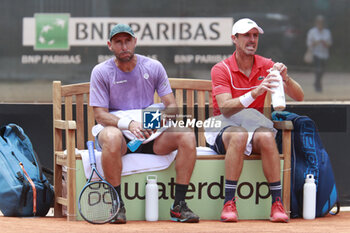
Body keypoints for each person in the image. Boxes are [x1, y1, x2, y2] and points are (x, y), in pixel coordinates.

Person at [89, 23, 199, 224]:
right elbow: (100, 116)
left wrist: (153, 122)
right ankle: (117, 205)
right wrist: (129, 124)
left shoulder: (153, 67)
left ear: (135, 42)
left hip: (151, 137)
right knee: (112, 136)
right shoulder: (100, 71)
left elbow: (172, 108)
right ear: (110, 45)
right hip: (119, 138)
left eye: (127, 41)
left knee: (187, 134)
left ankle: (179, 206)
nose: (124, 46)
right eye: (118, 42)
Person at [208, 18, 304, 223]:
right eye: (246, 35)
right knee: (239, 135)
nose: (252, 40)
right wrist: (255, 92)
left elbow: (300, 96)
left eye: (255, 35)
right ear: (234, 39)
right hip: (224, 127)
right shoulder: (220, 69)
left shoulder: (267, 65)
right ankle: (229, 202)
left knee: (268, 137)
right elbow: (225, 108)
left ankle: (277, 204)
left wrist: (286, 78)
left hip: (255, 127)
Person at [306, 15, 332, 92]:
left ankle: (317, 83)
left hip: (324, 54)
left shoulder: (327, 32)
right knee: (318, 69)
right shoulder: (312, 32)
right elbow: (309, 43)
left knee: (322, 70)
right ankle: (318, 86)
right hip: (316, 54)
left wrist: (325, 43)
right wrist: (316, 43)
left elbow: (329, 43)